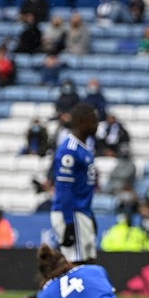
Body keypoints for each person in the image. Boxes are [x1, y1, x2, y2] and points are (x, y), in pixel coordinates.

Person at [50, 102, 99, 264]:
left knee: (87, 263)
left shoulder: (84, 149)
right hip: (72, 212)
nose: (96, 124)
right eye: (93, 120)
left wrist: (90, 215)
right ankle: (45, 289)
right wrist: (69, 221)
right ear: (81, 122)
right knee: (76, 265)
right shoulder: (69, 150)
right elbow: (64, 189)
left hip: (82, 212)